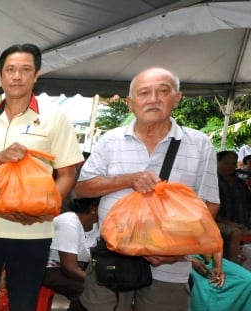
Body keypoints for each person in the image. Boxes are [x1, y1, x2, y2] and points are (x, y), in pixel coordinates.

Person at [75, 67, 221, 310]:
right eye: (144, 93)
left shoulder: (198, 144)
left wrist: (176, 252)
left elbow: (209, 204)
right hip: (114, 259)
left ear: (177, 99)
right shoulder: (111, 140)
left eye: (163, 91)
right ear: (130, 103)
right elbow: (83, 188)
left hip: (170, 267)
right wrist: (129, 179)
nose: (153, 99)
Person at [0, 43, 83, 311]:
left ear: (36, 74)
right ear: (0, 76)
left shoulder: (54, 118)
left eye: (25, 70)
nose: (17, 76)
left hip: (33, 231)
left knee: (24, 304)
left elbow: (67, 174)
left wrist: (43, 209)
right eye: (10, 70)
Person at [42, 197, 100, 311]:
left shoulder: (99, 225)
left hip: (78, 268)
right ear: (93, 208)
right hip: (49, 268)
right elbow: (69, 268)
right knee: (87, 290)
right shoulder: (68, 222)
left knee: (100, 290)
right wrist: (97, 280)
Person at [215, 150, 250, 263]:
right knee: (235, 232)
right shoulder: (212, 181)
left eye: (233, 163)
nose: (230, 166)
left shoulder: (239, 183)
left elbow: (248, 203)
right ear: (217, 162)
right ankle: (232, 268)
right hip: (216, 222)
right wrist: (228, 222)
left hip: (241, 221)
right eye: (226, 163)